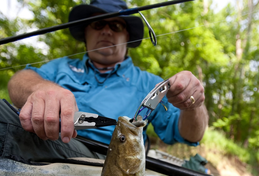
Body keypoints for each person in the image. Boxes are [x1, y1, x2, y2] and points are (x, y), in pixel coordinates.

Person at [2, 0, 208, 163]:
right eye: (98, 24)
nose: (106, 31)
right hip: (36, 139)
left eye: (116, 25)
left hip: (109, 161)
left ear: (127, 36)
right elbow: (19, 80)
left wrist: (193, 103)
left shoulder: (150, 84)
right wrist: (41, 87)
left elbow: (190, 135)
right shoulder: (60, 67)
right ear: (86, 32)